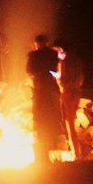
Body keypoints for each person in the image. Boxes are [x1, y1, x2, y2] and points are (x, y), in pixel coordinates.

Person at [26, 33, 64, 162]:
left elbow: (29, 71)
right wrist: (51, 74)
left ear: (36, 43)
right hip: (51, 89)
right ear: (47, 42)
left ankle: (41, 153)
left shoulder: (33, 55)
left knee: (39, 119)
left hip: (40, 90)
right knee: (51, 118)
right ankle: (50, 149)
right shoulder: (53, 54)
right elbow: (56, 70)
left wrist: (38, 76)